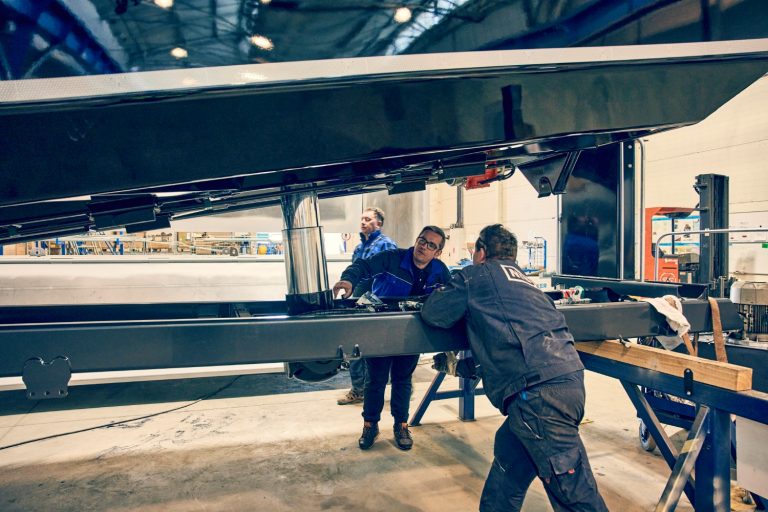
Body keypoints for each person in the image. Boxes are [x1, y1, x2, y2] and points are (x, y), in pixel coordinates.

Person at [420, 224, 607, 511]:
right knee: (509, 462)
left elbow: (434, 313)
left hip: (539, 399)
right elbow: (512, 334)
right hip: (565, 381)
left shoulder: (475, 275)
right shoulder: (526, 282)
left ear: (481, 252)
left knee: (574, 495)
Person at [332, 226, 451, 451]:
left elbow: (452, 295)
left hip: (412, 333)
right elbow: (363, 266)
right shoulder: (393, 258)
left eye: (431, 245)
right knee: (375, 380)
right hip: (381, 330)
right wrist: (348, 280)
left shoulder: (440, 271)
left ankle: (401, 425)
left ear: (437, 253)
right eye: (422, 240)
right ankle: (370, 425)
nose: (423, 247)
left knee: (402, 379)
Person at [337, 206, 397, 406]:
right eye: (362, 218)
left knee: (383, 349)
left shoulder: (386, 245)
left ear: (378, 223)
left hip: (378, 304)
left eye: (368, 219)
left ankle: (401, 383)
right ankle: (358, 390)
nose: (363, 222)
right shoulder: (358, 248)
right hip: (359, 303)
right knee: (356, 345)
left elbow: (391, 276)